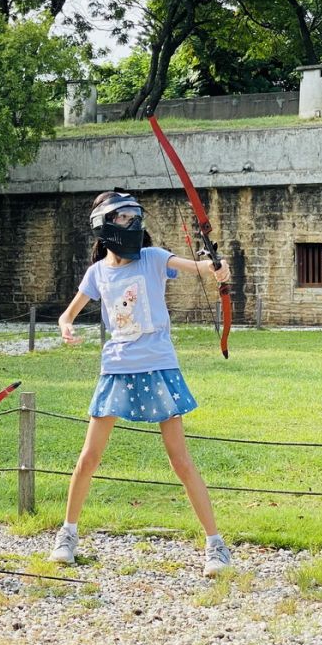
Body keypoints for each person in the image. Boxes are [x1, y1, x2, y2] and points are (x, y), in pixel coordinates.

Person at [48, 190, 234, 577]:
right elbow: (68, 315)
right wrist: (66, 328)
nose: (133, 224)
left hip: (159, 366)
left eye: (136, 217)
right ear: (104, 225)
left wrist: (217, 268)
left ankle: (216, 546)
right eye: (123, 218)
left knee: (180, 460)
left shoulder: (152, 258)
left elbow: (197, 268)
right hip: (116, 368)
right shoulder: (98, 272)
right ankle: (67, 535)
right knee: (89, 458)